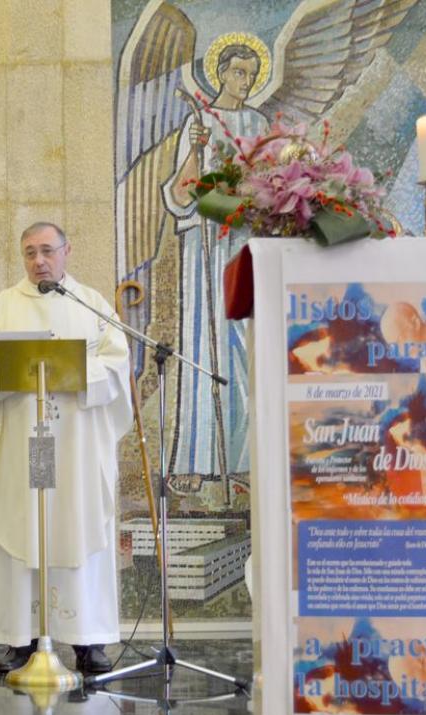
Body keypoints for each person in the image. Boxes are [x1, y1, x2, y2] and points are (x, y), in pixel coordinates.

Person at [0, 223, 133, 675]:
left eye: (47, 251)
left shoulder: (91, 305)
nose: (39, 261)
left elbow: (116, 364)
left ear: (66, 251)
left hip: (74, 446)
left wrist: (71, 371)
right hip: (24, 444)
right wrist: (18, 372)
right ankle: (21, 640)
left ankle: (87, 640)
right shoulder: (2, 308)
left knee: (76, 526)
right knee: (21, 529)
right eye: (30, 253)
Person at [162, 45, 269, 491]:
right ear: (221, 74)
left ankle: (243, 462)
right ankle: (194, 458)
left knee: (245, 351)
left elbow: (267, 182)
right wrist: (196, 150)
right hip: (204, 247)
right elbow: (181, 195)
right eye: (238, 73)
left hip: (242, 243)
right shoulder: (200, 121)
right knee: (202, 349)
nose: (244, 81)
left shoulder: (260, 125)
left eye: (251, 74)